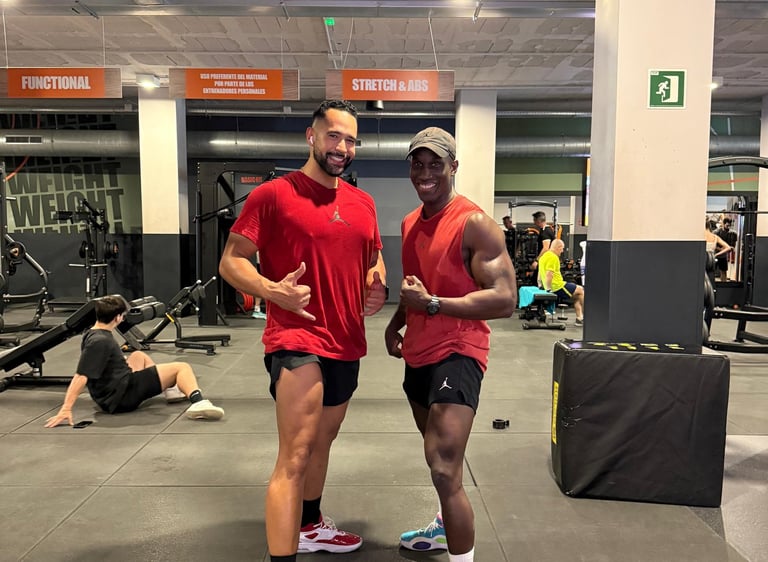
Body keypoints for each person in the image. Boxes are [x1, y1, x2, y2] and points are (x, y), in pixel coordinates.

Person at [218, 99, 386, 562]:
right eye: (334, 135)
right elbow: (231, 261)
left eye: (351, 139)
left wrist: (378, 281)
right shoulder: (272, 195)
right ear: (311, 137)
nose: (343, 147)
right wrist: (273, 291)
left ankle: (310, 525)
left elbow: (374, 256)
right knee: (294, 454)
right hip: (296, 337)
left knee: (322, 442)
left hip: (347, 339)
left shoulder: (363, 202)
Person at [384, 127, 517, 562]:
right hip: (419, 352)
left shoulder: (475, 223)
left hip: (460, 351)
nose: (425, 173)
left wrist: (435, 305)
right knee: (439, 461)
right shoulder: (408, 222)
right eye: (417, 164)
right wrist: (398, 319)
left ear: (453, 167)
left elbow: (504, 299)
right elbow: (416, 287)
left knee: (444, 468)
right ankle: (445, 526)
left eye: (435, 164)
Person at [44, 295, 224, 427]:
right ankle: (198, 402)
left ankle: (170, 390)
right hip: (121, 397)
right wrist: (66, 409)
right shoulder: (101, 342)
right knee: (181, 367)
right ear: (117, 318)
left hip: (112, 389)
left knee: (138, 355)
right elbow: (80, 377)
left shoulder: (92, 332)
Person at [539, 239, 584, 325]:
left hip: (552, 285)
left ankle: (580, 318)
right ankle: (586, 317)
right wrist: (548, 290)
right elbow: (549, 274)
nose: (562, 251)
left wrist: (540, 285)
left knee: (577, 295)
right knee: (581, 290)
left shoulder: (543, 256)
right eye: (562, 248)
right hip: (557, 286)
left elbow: (540, 274)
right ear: (558, 247)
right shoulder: (553, 257)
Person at [530, 211, 556, 286]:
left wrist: (536, 261)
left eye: (534, 220)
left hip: (546, 262)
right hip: (545, 261)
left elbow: (545, 248)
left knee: (536, 282)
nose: (533, 222)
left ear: (538, 221)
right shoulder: (543, 230)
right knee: (535, 280)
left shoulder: (546, 232)